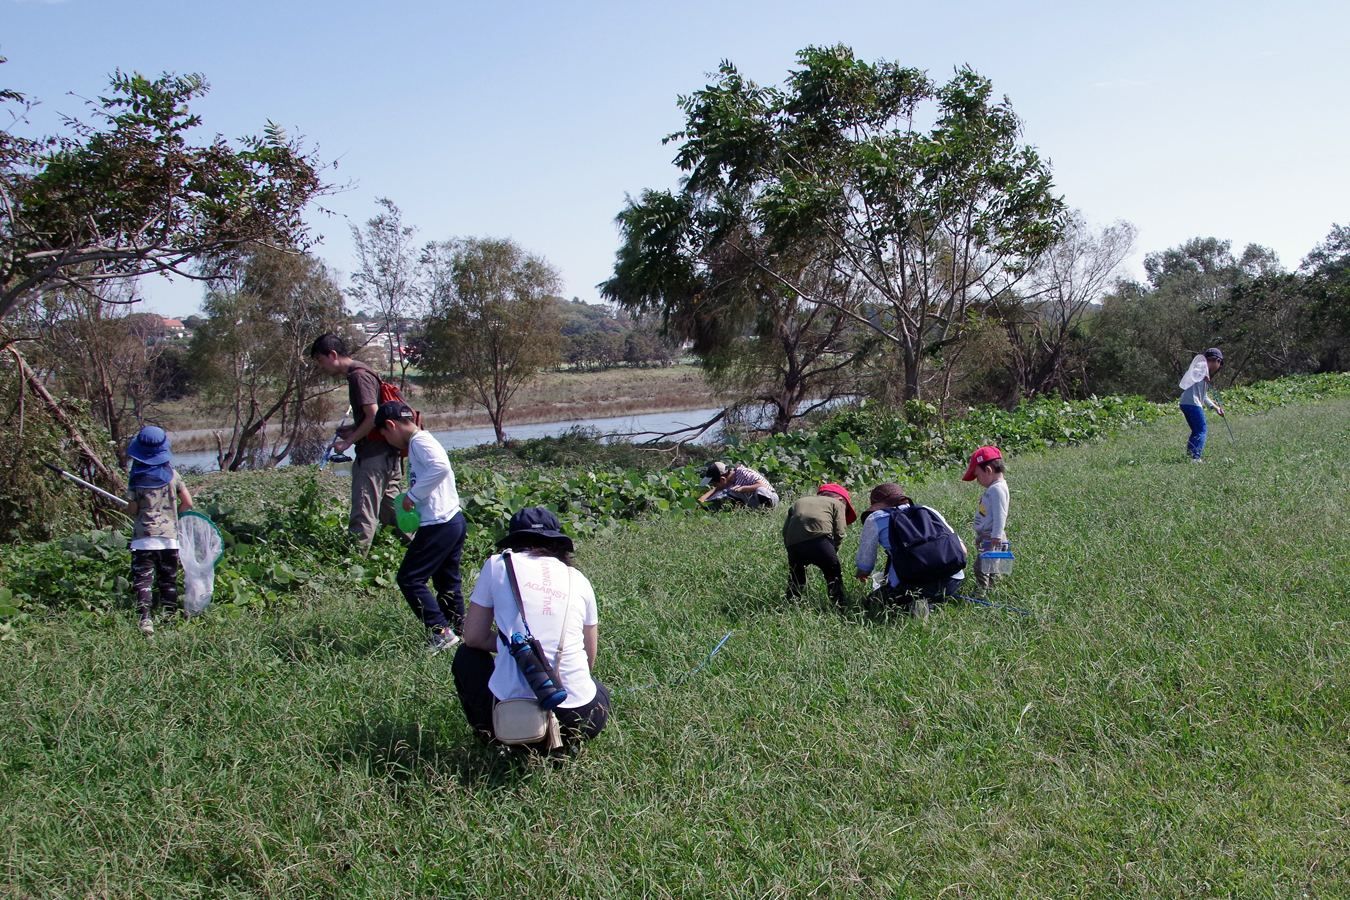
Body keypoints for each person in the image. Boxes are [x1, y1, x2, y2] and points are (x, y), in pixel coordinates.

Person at [452, 508, 610, 751]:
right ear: (557, 543)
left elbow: (473, 637)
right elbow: (589, 658)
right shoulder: (578, 578)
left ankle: (495, 738)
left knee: (466, 656)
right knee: (596, 687)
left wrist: (517, 647)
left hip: (514, 717)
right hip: (583, 717)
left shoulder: (498, 565)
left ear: (514, 541)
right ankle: (566, 743)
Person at [373, 401, 466, 654]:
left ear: (391, 426)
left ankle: (440, 632)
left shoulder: (419, 442)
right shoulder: (422, 440)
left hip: (438, 523)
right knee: (447, 582)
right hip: (452, 520)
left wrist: (412, 496)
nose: (388, 441)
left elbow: (440, 468)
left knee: (410, 578)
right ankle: (461, 631)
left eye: (384, 435)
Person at [308, 333, 408, 550]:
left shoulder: (357, 376)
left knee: (364, 511)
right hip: (388, 453)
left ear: (333, 355)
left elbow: (373, 416)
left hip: (373, 456)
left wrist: (348, 443)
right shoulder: (365, 371)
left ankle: (354, 563)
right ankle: (421, 549)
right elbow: (376, 418)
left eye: (320, 360)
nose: (321, 367)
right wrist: (354, 428)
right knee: (391, 510)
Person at [854, 483, 967, 615]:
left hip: (909, 584)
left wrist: (861, 575)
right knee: (927, 588)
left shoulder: (876, 518)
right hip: (952, 581)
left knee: (870, 603)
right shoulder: (928, 510)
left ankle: (916, 604)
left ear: (877, 505)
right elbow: (963, 550)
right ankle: (927, 603)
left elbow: (865, 566)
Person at [124, 426, 193, 636]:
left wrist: (130, 509)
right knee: (168, 580)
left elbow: (133, 510)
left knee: (143, 580)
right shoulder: (174, 476)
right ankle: (170, 619)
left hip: (143, 540)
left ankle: (146, 619)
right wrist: (172, 517)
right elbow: (188, 503)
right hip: (169, 540)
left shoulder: (135, 479)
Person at [782, 483, 856, 606]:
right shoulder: (837, 503)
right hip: (820, 541)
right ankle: (839, 606)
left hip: (794, 545)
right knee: (833, 577)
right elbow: (839, 530)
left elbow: (785, 530)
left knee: (796, 578)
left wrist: (790, 548)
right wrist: (833, 551)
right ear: (840, 500)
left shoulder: (799, 501)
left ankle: (791, 604)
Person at [963, 446, 1009, 591]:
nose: (977, 480)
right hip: (989, 534)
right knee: (992, 565)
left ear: (988, 470)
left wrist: (996, 535)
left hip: (990, 535)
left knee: (982, 566)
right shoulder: (996, 487)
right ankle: (994, 589)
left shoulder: (997, 489)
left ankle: (981, 593)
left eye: (977, 475)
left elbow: (1000, 513)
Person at [1180, 347, 1226, 462]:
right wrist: (1203, 374)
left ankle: (1189, 456)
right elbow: (1195, 370)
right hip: (1192, 403)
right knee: (1202, 430)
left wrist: (1215, 407)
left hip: (1185, 402)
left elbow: (1203, 395)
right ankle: (1195, 458)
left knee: (1196, 431)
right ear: (1217, 361)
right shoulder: (1201, 366)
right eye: (1220, 363)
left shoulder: (1204, 374)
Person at [697, 461, 779, 509]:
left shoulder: (744, 472)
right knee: (730, 490)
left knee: (760, 490)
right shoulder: (729, 481)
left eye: (715, 483)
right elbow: (718, 489)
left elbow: (760, 485)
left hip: (771, 498)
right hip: (755, 503)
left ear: (723, 479)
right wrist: (703, 498)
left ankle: (768, 511)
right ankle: (750, 511)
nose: (715, 486)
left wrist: (741, 489)